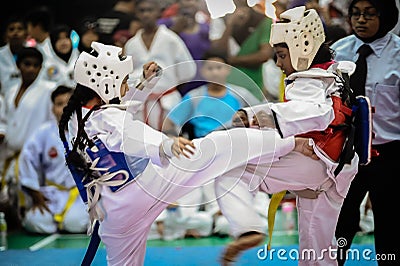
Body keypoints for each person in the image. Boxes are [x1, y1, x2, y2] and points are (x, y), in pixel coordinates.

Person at [58, 41, 317, 265]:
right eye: (124, 82)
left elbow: (120, 112)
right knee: (221, 144)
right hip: (148, 185)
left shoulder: (75, 118)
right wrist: (165, 144)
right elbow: (129, 132)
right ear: (106, 84)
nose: (127, 87)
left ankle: (290, 144)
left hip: (115, 212)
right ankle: (294, 142)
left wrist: (143, 83)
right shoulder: (109, 118)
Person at [215, 6, 359, 265]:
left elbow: (316, 112)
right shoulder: (330, 73)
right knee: (316, 250)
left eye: (281, 55)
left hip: (318, 163)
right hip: (332, 169)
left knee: (231, 173)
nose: (279, 64)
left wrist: (256, 115)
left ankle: (248, 228)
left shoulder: (312, 79)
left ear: (302, 47)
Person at [330, 0, 400, 264]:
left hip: (390, 153)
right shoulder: (338, 51)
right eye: (356, 14)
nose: (361, 20)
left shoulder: (398, 53)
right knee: (339, 220)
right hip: (346, 152)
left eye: (370, 14)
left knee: (390, 225)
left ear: (387, 18)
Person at [18, 85, 89, 234]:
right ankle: (60, 223)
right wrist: (35, 193)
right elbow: (27, 159)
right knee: (34, 220)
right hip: (52, 195)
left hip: (80, 196)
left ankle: (67, 223)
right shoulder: (43, 133)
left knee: (76, 222)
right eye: (59, 104)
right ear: (52, 109)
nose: (64, 108)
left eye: (68, 103)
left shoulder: (87, 130)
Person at [1, 47, 57, 228]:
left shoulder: (48, 90)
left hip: (34, 154)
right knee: (9, 198)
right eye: (27, 64)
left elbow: (52, 122)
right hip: (10, 152)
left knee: (32, 200)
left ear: (41, 68)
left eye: (36, 65)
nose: (31, 69)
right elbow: (6, 121)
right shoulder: (10, 91)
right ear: (18, 66)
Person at [124, 0, 196, 131]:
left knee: (170, 143)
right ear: (136, 14)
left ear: (159, 13)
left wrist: (167, 85)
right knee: (140, 142)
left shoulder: (171, 39)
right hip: (139, 104)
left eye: (150, 10)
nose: (146, 14)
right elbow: (128, 75)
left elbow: (187, 71)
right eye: (142, 11)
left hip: (167, 101)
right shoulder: (131, 44)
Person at [162, 49, 260, 139]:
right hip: (204, 146)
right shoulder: (194, 97)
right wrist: (175, 140)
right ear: (203, 72)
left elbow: (261, 112)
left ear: (228, 69)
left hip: (236, 144)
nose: (215, 72)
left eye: (219, 67)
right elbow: (169, 123)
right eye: (210, 68)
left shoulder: (241, 94)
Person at [209, 0, 274, 101]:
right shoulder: (220, 20)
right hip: (226, 88)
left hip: (253, 84)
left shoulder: (262, 20)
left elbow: (265, 55)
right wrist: (230, 25)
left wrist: (232, 60)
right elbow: (217, 52)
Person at [0, 15, 28, 95]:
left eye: (20, 29)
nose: (15, 32)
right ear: (5, 35)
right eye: (11, 29)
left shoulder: (34, 53)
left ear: (26, 34)